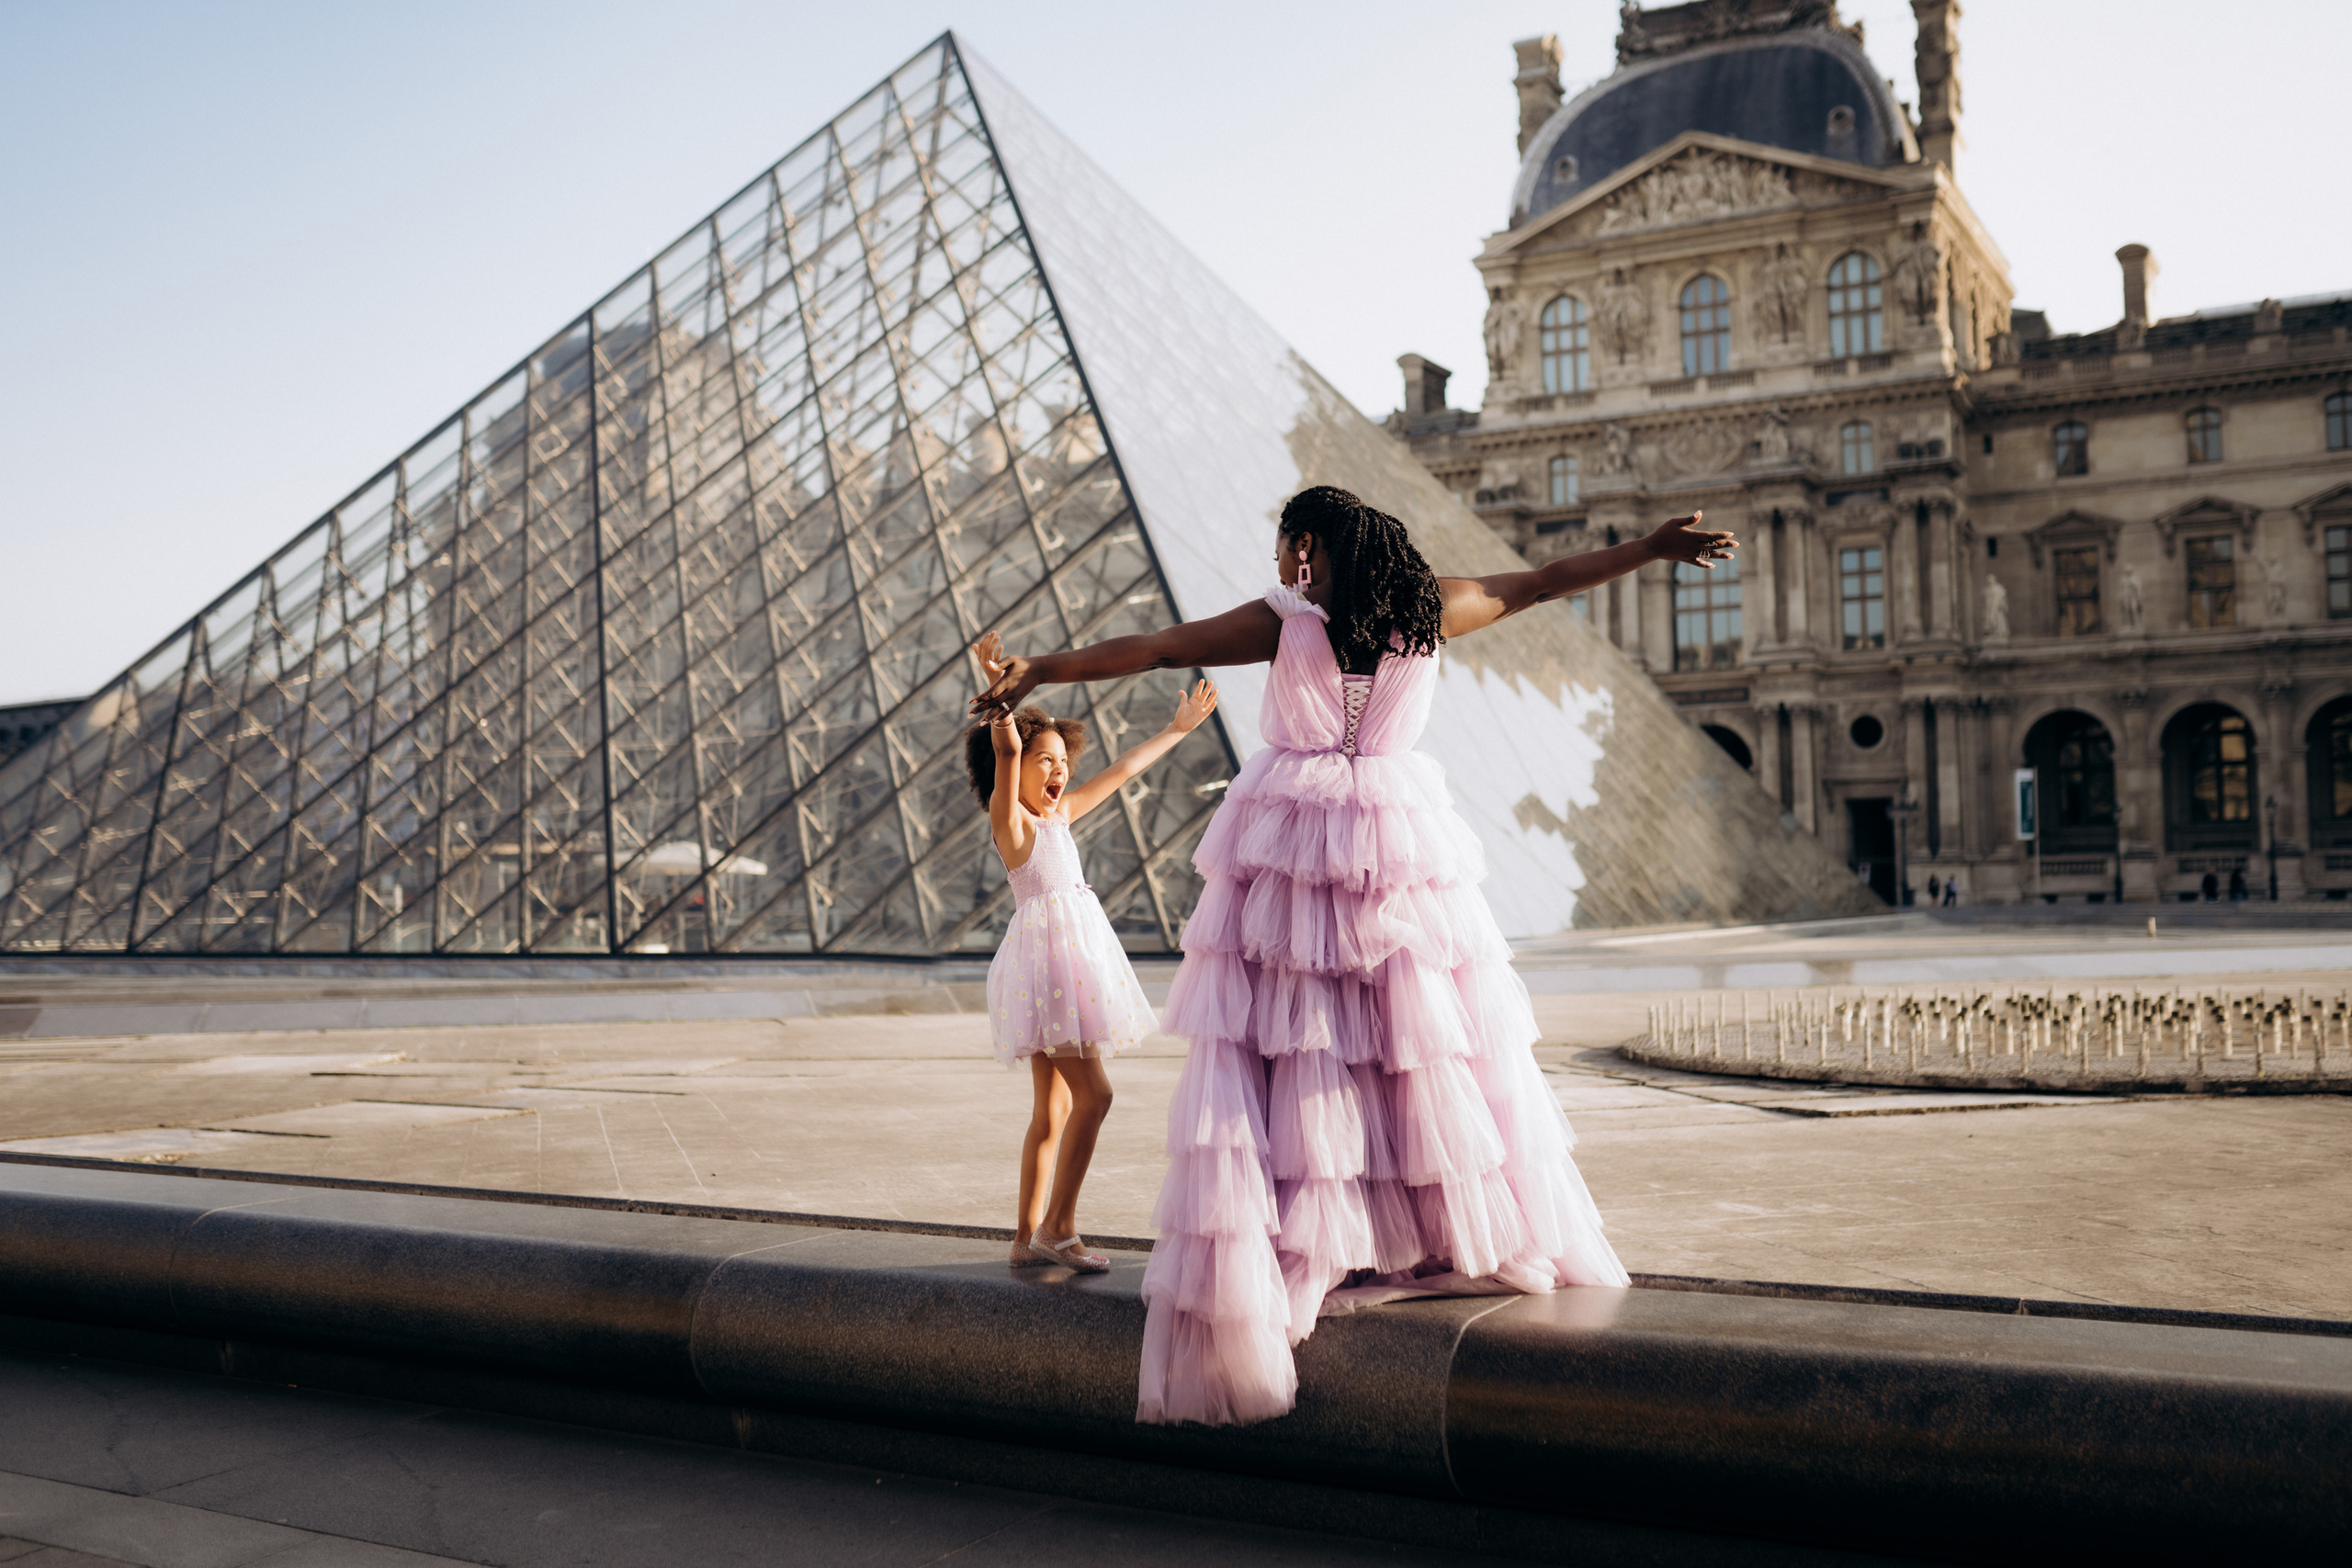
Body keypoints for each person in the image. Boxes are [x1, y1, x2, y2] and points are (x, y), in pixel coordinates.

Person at [971, 485, 1736, 1425]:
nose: (1284, 560)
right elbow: (1542, 582)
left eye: (1288, 544)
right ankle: (1411, 1233)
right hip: (1397, 835)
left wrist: (1044, 665)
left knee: (1306, 1048)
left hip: (1292, 837)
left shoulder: (1284, 617)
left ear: (1309, 545)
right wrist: (1647, 550)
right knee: (1408, 1045)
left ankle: (1330, 1232)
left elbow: (1162, 646)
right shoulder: (1432, 608)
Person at [963, 674, 1222, 1274]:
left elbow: (1125, 769)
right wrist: (1001, 703)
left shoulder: (1061, 817)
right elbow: (1004, 749)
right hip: (1054, 967)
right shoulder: (1015, 824)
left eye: (1063, 761)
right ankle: (1059, 1227)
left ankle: (1026, 1237)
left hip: (1055, 969)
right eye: (1044, 760)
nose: (1060, 771)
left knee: (1052, 1112)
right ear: (1017, 768)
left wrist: (1174, 731)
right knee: (1096, 1094)